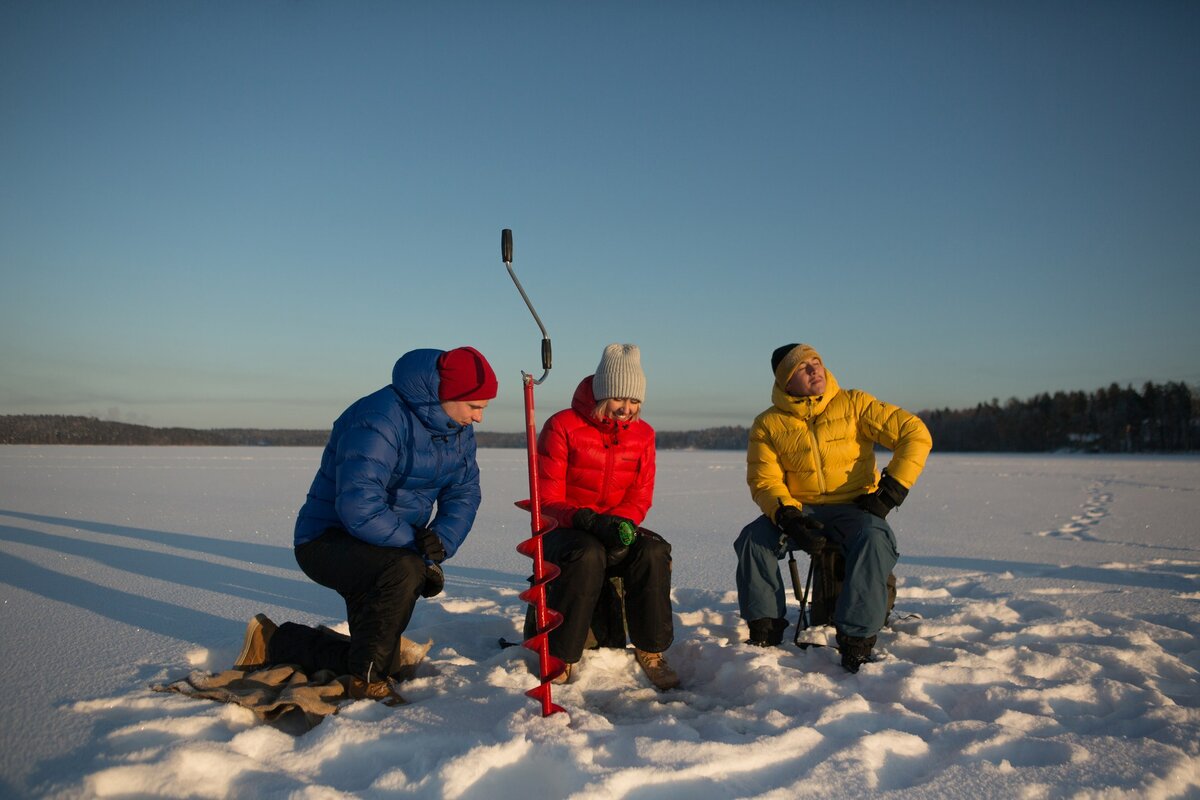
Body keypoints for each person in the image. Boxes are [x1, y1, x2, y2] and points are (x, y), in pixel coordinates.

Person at [233, 346, 498, 702]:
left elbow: (464, 491)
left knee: (378, 653)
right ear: (447, 395)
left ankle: (274, 641)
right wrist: (414, 546)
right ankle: (367, 685)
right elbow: (359, 505)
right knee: (403, 573)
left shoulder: (457, 430)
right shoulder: (380, 417)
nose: (479, 418)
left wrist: (439, 542)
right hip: (329, 539)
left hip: (392, 546)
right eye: (475, 407)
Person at [734, 343, 932, 672]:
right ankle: (765, 631)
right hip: (800, 511)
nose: (815, 370)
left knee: (874, 539)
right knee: (754, 539)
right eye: (803, 367)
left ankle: (857, 640)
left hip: (854, 508)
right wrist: (788, 516)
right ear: (786, 381)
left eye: (817, 362)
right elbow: (765, 480)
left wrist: (889, 492)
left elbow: (915, 433)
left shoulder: (855, 404)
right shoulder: (768, 424)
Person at [534, 343, 679, 690]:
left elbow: (640, 494)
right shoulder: (562, 426)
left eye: (634, 402)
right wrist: (586, 521)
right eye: (619, 399)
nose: (626, 409)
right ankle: (562, 654)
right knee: (587, 554)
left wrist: (623, 523)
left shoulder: (643, 435)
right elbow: (547, 498)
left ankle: (652, 650)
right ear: (601, 393)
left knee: (653, 553)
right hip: (566, 527)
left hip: (615, 526)